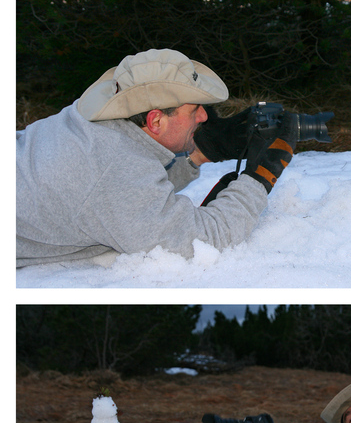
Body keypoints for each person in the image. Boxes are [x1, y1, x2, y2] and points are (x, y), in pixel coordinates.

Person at [16, 48, 296, 267]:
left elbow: (130, 192)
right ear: (156, 121)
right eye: (195, 110)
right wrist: (259, 177)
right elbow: (205, 241)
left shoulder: (95, 122)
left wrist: (198, 155)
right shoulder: (115, 167)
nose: (204, 117)